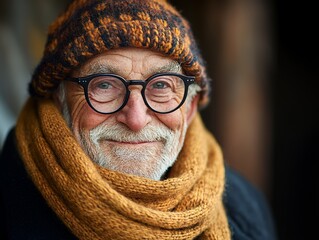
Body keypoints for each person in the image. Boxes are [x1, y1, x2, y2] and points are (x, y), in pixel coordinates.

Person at [0, 0, 277, 239]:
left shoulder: (246, 206)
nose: (135, 119)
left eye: (161, 86)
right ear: (59, 98)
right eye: (104, 85)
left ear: (190, 108)